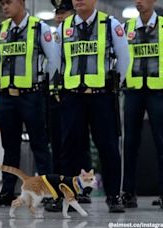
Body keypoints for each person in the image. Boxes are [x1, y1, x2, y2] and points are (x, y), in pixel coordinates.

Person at [53, 0, 130, 213]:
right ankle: (67, 194)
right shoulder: (63, 27)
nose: (78, 0)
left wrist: (111, 85)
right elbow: (57, 61)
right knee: (69, 148)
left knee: (108, 147)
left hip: (101, 96)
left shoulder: (110, 24)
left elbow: (124, 59)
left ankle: (114, 196)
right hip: (72, 97)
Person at [0, 0, 54, 206]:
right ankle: (7, 191)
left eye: (9, 2)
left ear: (22, 3)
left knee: (39, 144)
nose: (5, 7)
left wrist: (43, 85)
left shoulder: (39, 27)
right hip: (7, 97)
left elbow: (53, 60)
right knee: (10, 147)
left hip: (32, 96)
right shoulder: (1, 29)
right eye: (2, 3)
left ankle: (50, 193)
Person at [45, 0, 93, 212]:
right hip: (56, 95)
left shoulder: (79, 33)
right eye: (57, 13)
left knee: (78, 145)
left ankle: (80, 190)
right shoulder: (57, 35)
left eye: (63, 12)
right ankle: (61, 190)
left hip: (73, 93)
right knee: (60, 144)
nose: (59, 17)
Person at [121, 0, 163, 210]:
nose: (139, 1)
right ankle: (128, 193)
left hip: (159, 91)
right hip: (133, 91)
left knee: (162, 142)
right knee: (130, 143)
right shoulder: (126, 27)